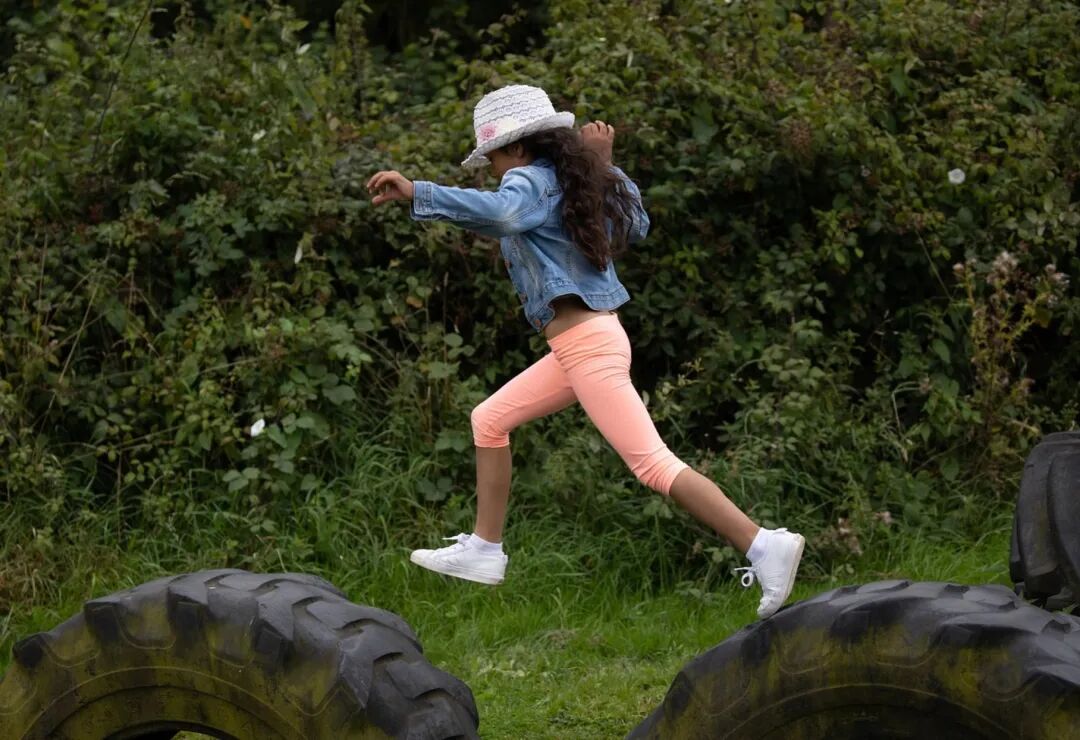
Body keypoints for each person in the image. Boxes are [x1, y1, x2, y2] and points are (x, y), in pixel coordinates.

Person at [367, 84, 803, 619]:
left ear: (517, 147)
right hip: (586, 344)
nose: (492, 169)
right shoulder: (568, 183)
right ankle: (485, 548)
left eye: (493, 157)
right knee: (489, 420)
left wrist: (418, 193)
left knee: (653, 465)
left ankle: (763, 544)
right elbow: (634, 223)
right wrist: (604, 168)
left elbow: (502, 214)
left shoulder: (528, 180)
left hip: (587, 348)